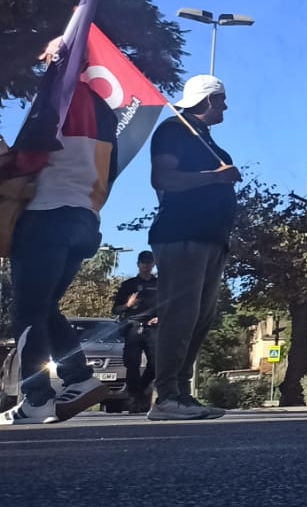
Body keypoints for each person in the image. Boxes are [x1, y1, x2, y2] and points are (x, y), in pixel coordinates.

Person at [1, 39, 120, 425]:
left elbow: (30, 157)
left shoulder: (56, 96)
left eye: (50, 53)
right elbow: (111, 169)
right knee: (44, 305)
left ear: (59, 59)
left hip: (45, 213)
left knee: (27, 311)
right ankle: (79, 377)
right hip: (84, 217)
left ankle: (36, 400)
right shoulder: (104, 110)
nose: (44, 58)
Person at [145, 74, 239, 421]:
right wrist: (216, 177)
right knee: (181, 315)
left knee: (200, 317)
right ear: (209, 99)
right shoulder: (174, 130)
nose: (226, 106)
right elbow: (163, 178)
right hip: (182, 235)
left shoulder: (202, 136)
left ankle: (181, 393)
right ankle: (167, 395)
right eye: (222, 99)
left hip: (210, 238)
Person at [113, 250, 158, 413]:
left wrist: (160, 317)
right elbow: (115, 310)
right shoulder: (129, 285)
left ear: (153, 264)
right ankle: (134, 399)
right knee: (132, 364)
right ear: (138, 265)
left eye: (149, 263)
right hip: (132, 326)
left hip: (152, 327)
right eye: (143, 263)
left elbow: (168, 306)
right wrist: (128, 305)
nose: (146, 266)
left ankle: (142, 389)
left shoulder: (160, 284)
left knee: (156, 363)